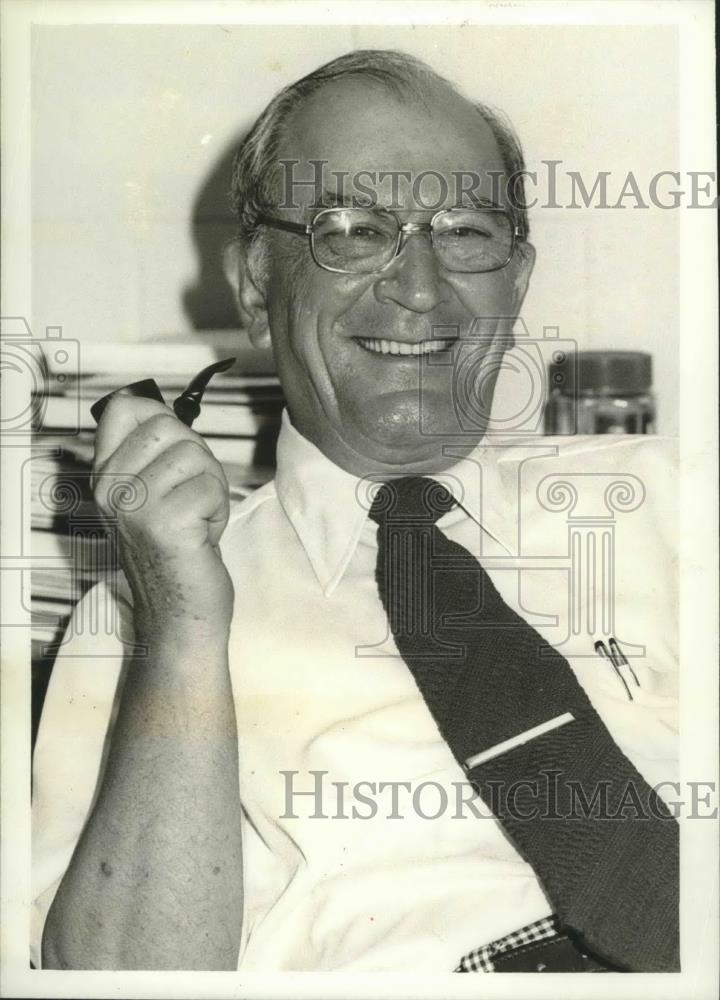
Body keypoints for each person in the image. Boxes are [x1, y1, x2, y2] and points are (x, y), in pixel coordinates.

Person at [33, 49, 679, 973]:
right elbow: (120, 982)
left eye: (463, 231)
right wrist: (181, 627)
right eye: (352, 230)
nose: (418, 287)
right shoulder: (140, 619)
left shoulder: (678, 499)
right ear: (257, 284)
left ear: (518, 277)